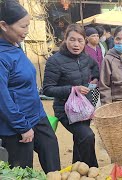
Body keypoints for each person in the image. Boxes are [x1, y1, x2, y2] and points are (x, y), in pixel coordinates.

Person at [0, 0, 60, 173]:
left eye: (28, 26)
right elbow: (3, 99)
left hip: (37, 116)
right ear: (4, 25)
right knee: (23, 171)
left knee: (52, 158)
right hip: (15, 126)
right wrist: (22, 127)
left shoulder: (16, 46)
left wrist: (39, 113)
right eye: (23, 27)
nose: (27, 31)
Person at [43, 24, 99, 167]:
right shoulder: (54, 61)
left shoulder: (86, 58)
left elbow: (96, 68)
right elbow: (47, 89)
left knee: (80, 141)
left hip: (84, 108)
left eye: (80, 40)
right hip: (65, 110)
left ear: (84, 42)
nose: (76, 44)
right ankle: (93, 171)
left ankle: (78, 170)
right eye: (72, 40)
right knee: (87, 136)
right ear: (65, 39)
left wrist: (94, 81)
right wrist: (72, 89)